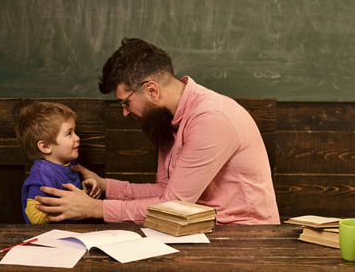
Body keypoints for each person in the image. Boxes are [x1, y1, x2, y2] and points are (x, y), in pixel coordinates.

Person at [35, 38, 280, 225]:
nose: (125, 112)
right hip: (200, 232)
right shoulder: (166, 118)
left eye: (125, 102)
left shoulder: (211, 119)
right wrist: (106, 186)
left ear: (151, 90)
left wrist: (93, 209)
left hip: (245, 239)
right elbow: (166, 191)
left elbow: (172, 205)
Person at [15, 101, 101, 224]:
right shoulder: (43, 173)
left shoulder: (69, 163)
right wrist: (67, 207)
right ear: (45, 146)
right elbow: (35, 217)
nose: (77, 138)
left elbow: (71, 196)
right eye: (69, 133)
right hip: (49, 239)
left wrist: (85, 191)